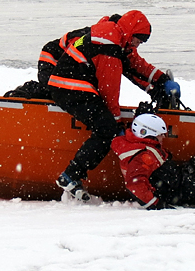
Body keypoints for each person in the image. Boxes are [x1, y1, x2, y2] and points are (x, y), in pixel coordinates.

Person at [51, 10, 180, 200]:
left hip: (75, 85)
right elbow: (109, 90)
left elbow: (136, 63)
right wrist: (117, 123)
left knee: (107, 126)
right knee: (106, 129)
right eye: (138, 40)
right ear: (131, 33)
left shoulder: (118, 37)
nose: (138, 44)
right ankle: (70, 175)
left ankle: (72, 174)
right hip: (69, 87)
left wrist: (161, 79)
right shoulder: (109, 43)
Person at [5, 14, 175, 105]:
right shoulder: (97, 42)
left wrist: (159, 82)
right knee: (58, 93)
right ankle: (27, 94)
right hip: (52, 60)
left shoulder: (119, 45)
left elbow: (134, 66)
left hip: (70, 66)